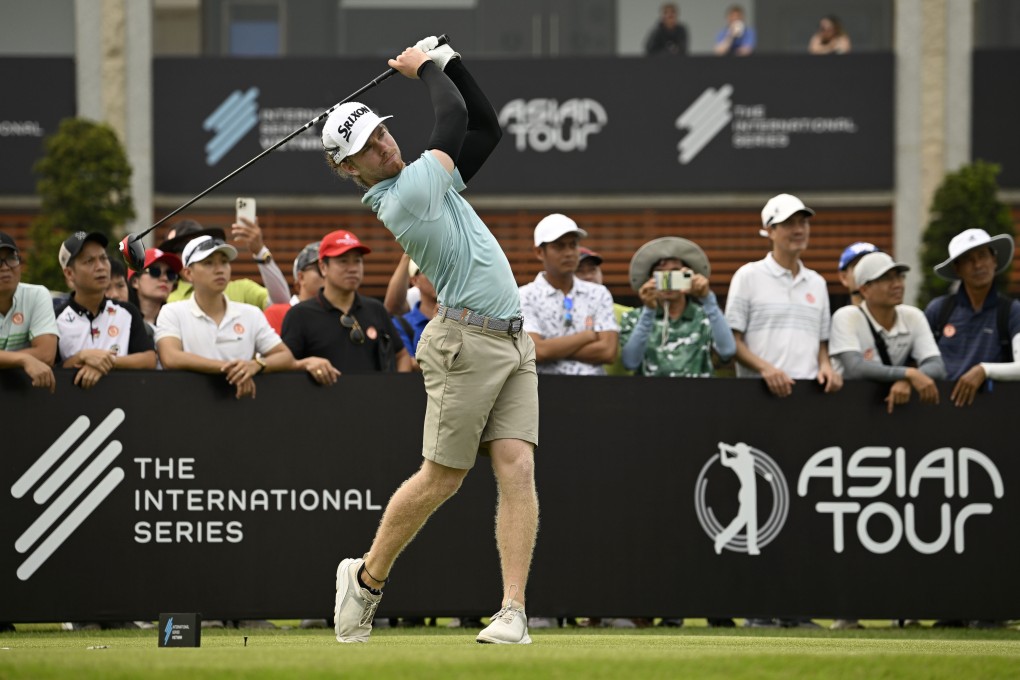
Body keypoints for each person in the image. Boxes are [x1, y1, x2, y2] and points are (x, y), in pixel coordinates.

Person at [320, 36, 539, 645]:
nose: (384, 144)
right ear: (348, 168)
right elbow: (453, 116)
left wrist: (451, 61)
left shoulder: (429, 180)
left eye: (383, 133)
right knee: (442, 478)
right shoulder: (408, 195)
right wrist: (426, 68)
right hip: (463, 343)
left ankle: (514, 611)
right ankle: (364, 583)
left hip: (514, 340)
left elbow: (486, 129)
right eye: (367, 147)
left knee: (517, 468)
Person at [155, 235, 310, 400]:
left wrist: (257, 365)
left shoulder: (251, 314)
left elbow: (285, 356)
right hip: (187, 406)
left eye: (224, 262)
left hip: (240, 409)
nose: (219, 269)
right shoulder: (172, 311)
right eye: (208, 263)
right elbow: (170, 357)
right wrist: (233, 368)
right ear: (188, 273)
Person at [725, 193, 842, 398]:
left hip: (809, 395)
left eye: (803, 222)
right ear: (770, 231)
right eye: (789, 224)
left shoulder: (817, 283)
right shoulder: (747, 276)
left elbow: (821, 344)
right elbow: (732, 342)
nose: (798, 230)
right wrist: (766, 369)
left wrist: (826, 366)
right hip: (758, 395)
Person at [281, 230, 411, 375]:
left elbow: (401, 355)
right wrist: (305, 364)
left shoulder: (375, 309)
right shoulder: (300, 315)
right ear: (323, 267)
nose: (353, 269)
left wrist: (396, 391)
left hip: (374, 397)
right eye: (343, 261)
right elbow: (285, 365)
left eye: (357, 261)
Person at [829, 252, 945, 415]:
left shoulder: (914, 316)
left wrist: (908, 381)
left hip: (887, 411)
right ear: (865, 289)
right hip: (845, 410)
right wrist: (908, 373)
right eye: (886, 278)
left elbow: (937, 366)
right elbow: (855, 368)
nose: (897, 284)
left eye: (899, 277)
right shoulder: (846, 316)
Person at [924, 228, 1020, 407]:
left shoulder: (1012, 311)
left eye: (983, 255)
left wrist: (985, 370)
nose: (977, 265)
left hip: (995, 413)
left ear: (994, 260)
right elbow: (917, 361)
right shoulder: (938, 310)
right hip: (940, 411)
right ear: (957, 269)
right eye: (969, 259)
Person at [519, 213, 619, 377]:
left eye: (573, 245)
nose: (568, 253)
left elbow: (608, 352)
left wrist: (552, 347)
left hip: (595, 391)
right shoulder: (524, 296)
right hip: (544, 390)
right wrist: (586, 336)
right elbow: (536, 351)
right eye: (559, 246)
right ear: (539, 252)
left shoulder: (598, 293)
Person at [620, 237, 735, 378]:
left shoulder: (705, 315)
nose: (669, 280)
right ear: (649, 279)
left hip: (700, 396)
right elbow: (630, 362)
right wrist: (649, 311)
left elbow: (727, 351)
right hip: (650, 397)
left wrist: (707, 299)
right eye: (661, 273)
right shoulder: (634, 317)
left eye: (676, 273)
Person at [55, 231, 157, 388]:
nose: (101, 267)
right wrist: (82, 357)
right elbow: (50, 368)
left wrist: (108, 362)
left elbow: (149, 359)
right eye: (89, 261)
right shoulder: (56, 318)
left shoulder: (127, 312)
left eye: (103, 258)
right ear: (69, 273)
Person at [159, 218, 289, 309]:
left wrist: (261, 252)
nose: (219, 269)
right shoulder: (166, 300)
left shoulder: (243, 289)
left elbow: (282, 304)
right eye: (183, 248)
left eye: (224, 261)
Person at [0, 231, 57, 392]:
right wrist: (22, 358)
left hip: (21, 397)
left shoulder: (37, 294)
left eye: (11, 258)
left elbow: (46, 354)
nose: (5, 268)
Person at [575, 246, 633, 376]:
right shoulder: (558, 313)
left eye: (593, 270)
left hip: (620, 390)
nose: (589, 276)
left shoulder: (629, 314)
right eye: (579, 271)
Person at [264, 242, 322, 334]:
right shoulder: (277, 313)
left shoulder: (343, 315)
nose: (328, 274)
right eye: (321, 269)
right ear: (301, 277)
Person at [392, 257, 438, 370]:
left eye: (445, 270)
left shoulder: (462, 317)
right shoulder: (401, 324)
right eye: (430, 271)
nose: (439, 277)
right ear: (415, 281)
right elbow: (407, 365)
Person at [128, 248, 183, 333]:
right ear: (135, 281)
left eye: (170, 274)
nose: (164, 278)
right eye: (155, 271)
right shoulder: (121, 319)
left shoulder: (178, 323)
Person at [835, 242, 880, 310]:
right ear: (844, 277)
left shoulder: (900, 316)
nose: (868, 272)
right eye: (858, 266)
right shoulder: (839, 318)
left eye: (874, 266)